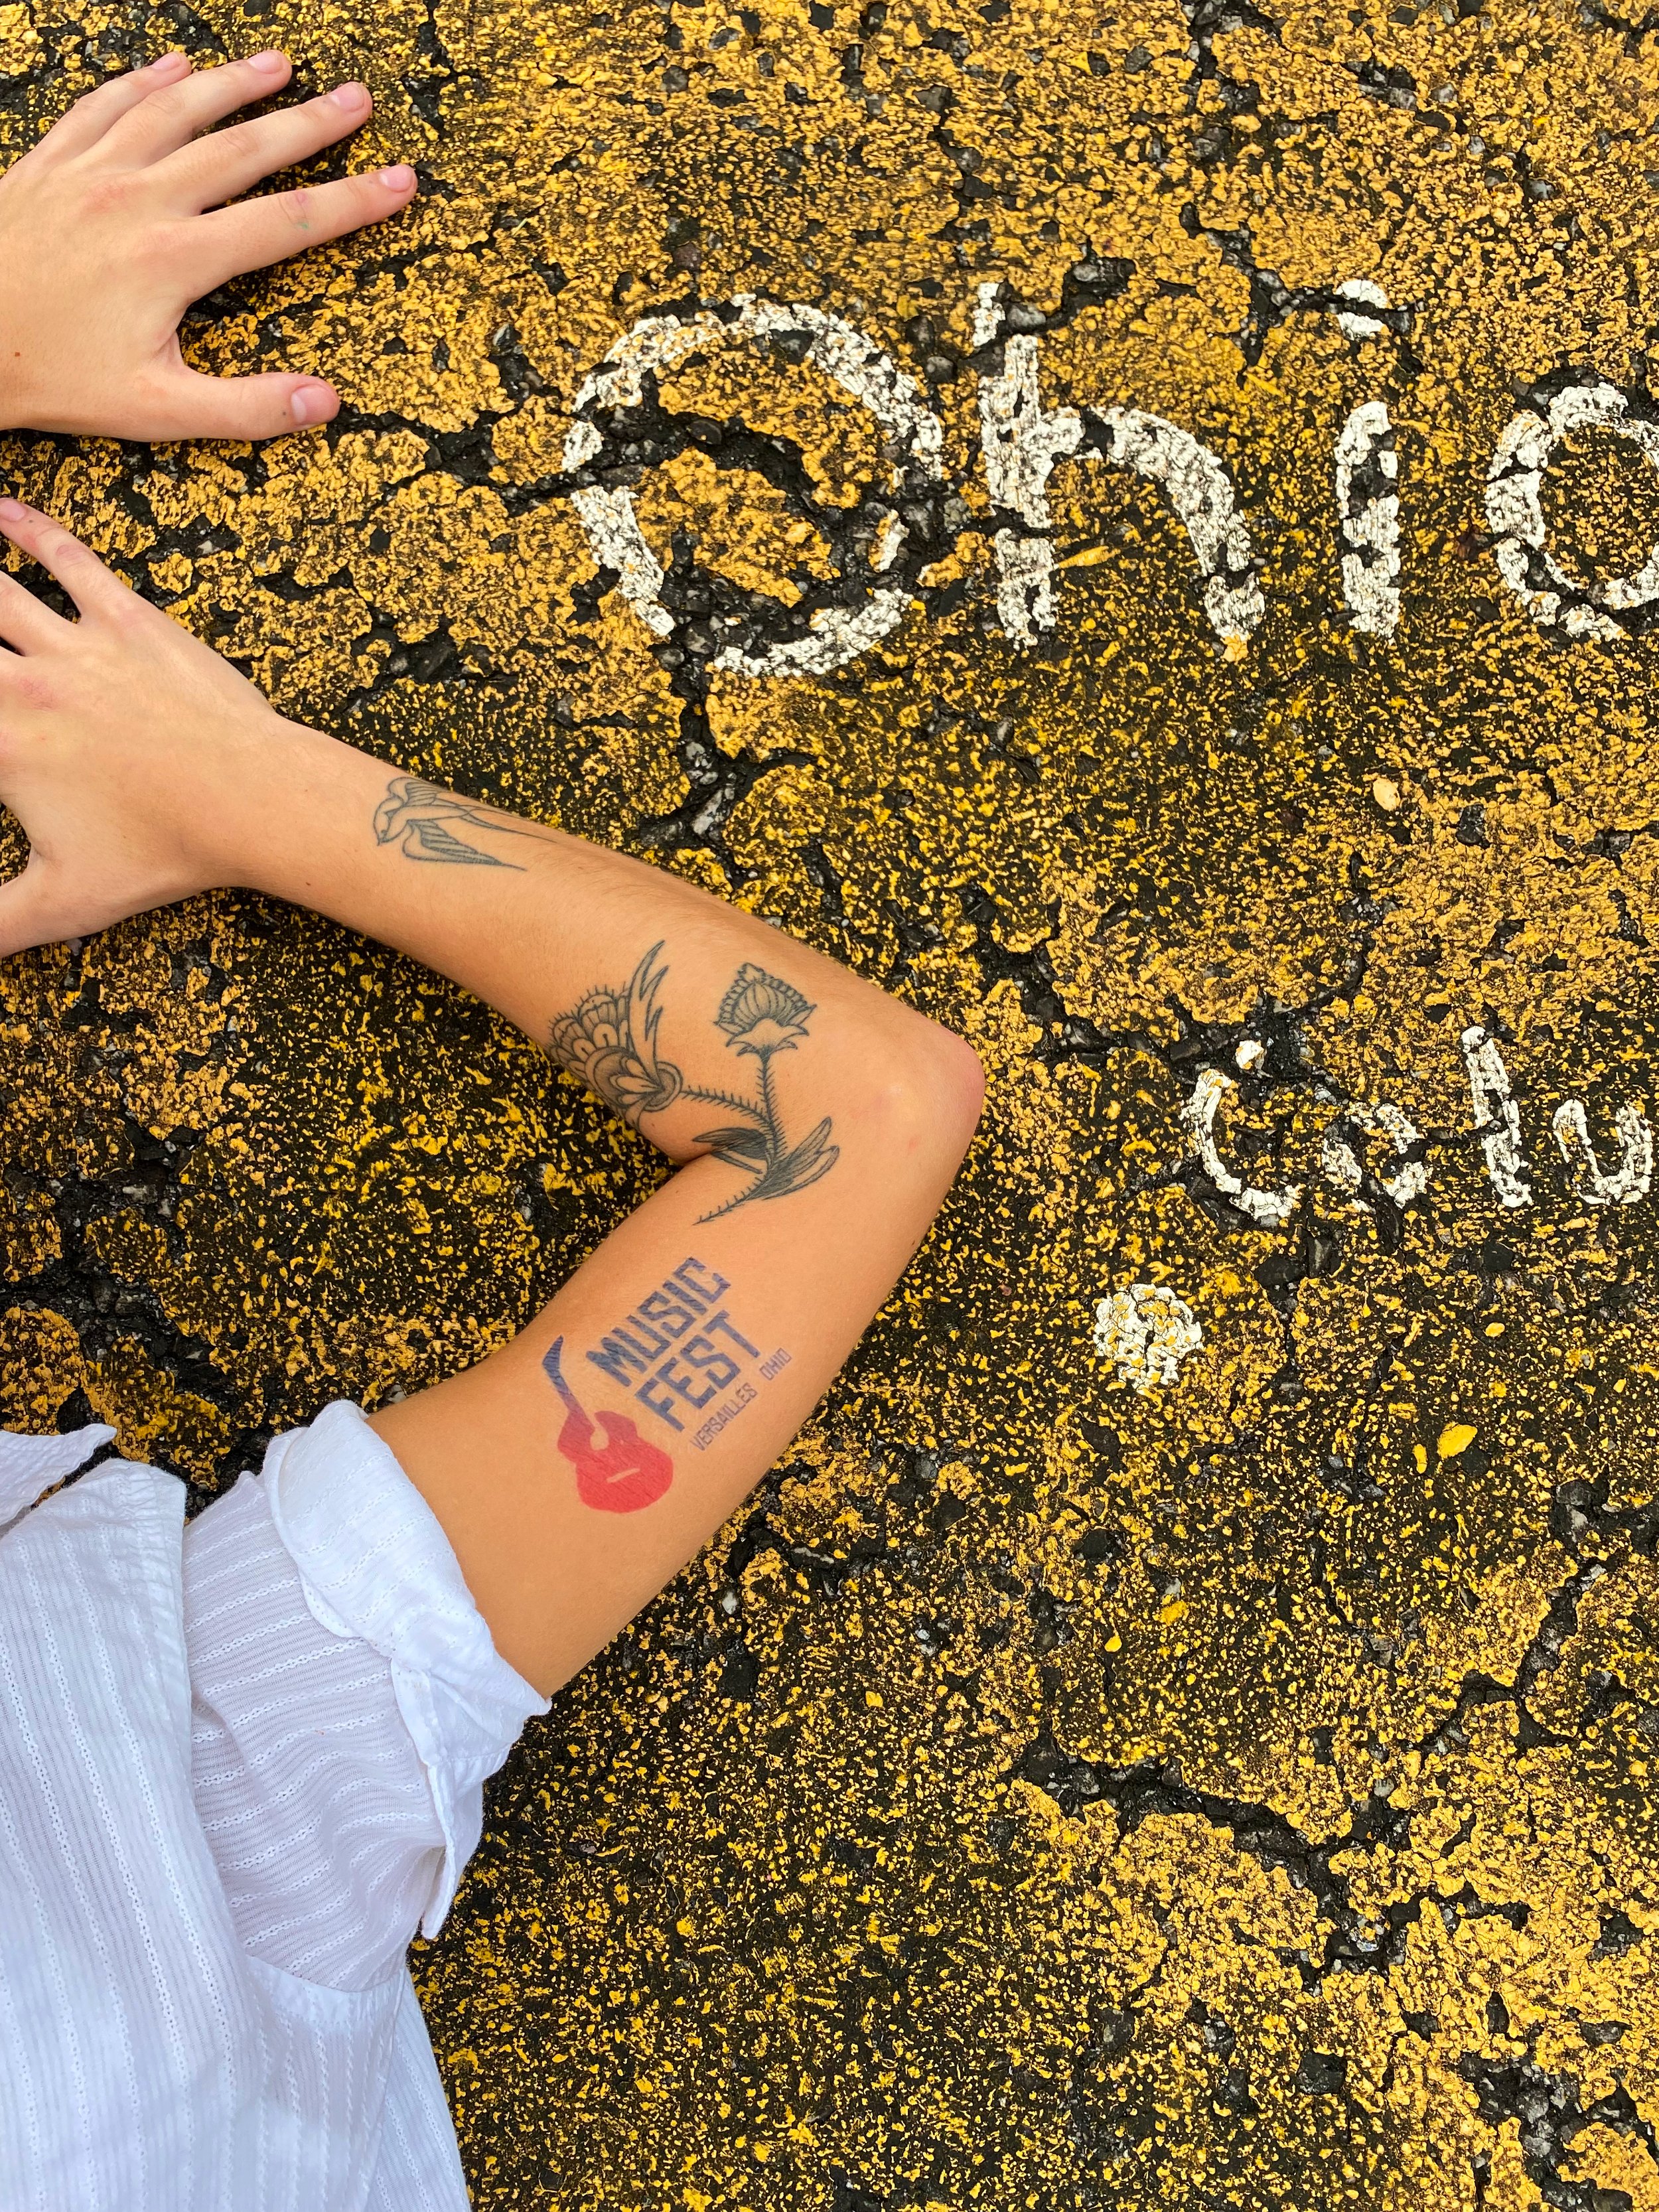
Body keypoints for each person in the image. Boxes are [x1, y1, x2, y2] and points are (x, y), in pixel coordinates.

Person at [0, 49, 984, 2212]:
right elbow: (852, 1114)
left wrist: (235, 787)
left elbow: (853, 1109)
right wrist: (243, 790)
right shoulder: (172, 1904)